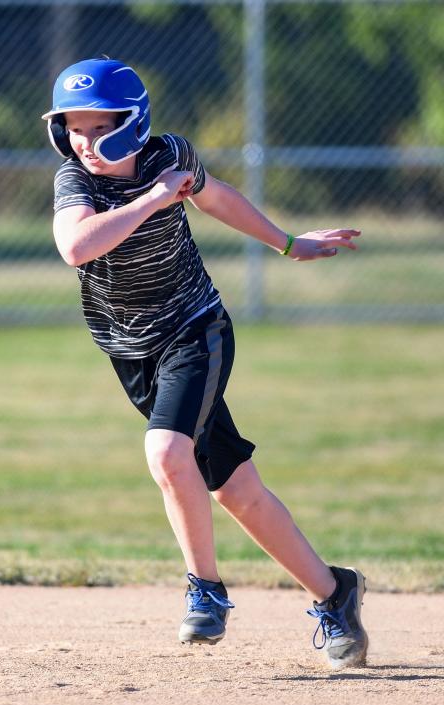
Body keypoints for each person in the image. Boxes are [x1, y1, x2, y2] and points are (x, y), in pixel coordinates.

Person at [43, 57, 367, 669]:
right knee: (236, 490)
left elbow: (217, 198)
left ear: (132, 123)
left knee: (167, 453)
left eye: (96, 127)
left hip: (196, 330)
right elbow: (76, 246)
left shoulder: (171, 157)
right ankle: (335, 592)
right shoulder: (76, 182)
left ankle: (205, 590)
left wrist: (291, 244)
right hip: (130, 351)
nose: (84, 142)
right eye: (73, 129)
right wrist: (154, 199)